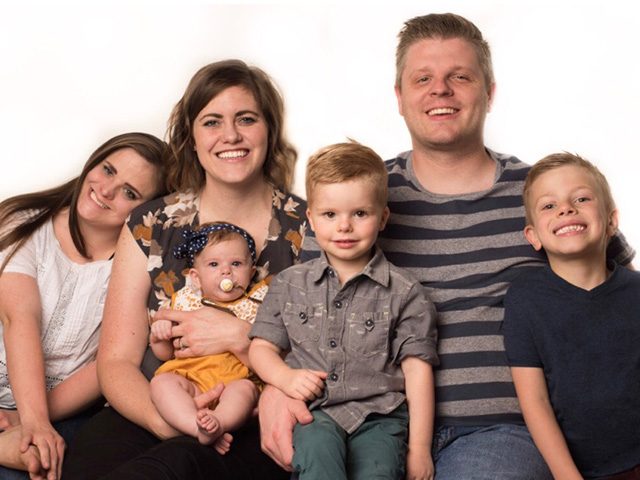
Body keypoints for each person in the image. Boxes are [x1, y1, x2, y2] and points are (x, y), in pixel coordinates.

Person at [257, 13, 635, 479]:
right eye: (423, 79)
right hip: (366, 421)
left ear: (489, 92)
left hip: (497, 431)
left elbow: (615, 296)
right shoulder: (353, 199)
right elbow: (302, 315)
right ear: (399, 97)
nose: (441, 90)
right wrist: (275, 389)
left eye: (460, 77)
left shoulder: (546, 196)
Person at [61, 59, 306, 480]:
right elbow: (116, 361)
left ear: (269, 130)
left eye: (246, 119)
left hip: (253, 417)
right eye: (212, 122)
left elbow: (329, 356)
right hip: (155, 404)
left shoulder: (311, 227)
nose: (231, 135)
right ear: (192, 138)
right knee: (88, 466)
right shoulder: (151, 223)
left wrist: (240, 337)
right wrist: (166, 422)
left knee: (176, 465)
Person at [249, 142, 439, 480]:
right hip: (315, 411)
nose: (344, 226)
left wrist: (420, 448)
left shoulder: (406, 291)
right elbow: (261, 347)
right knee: (317, 460)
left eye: (360, 214)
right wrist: (285, 378)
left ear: (382, 218)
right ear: (311, 219)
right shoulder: (290, 283)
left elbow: (417, 371)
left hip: (379, 415)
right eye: (330, 214)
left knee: (379, 471)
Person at [0, 132, 167, 480]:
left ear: (147, 212)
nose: (105, 190)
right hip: (33, 411)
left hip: (61, 408)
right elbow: (20, 318)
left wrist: (30, 421)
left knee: (41, 461)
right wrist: (33, 421)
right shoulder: (24, 222)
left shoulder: (137, 270)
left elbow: (105, 366)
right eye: (107, 170)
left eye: (129, 192)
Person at [502, 153, 640, 479]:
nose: (566, 209)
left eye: (581, 199)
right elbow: (535, 401)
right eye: (549, 205)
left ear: (611, 221)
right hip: (581, 470)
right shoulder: (525, 298)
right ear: (533, 236)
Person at [149, 222, 264, 452]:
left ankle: (220, 422)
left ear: (251, 273)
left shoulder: (259, 305)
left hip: (234, 380)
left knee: (245, 390)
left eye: (236, 264)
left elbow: (269, 351)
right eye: (213, 264)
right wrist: (159, 335)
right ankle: (196, 427)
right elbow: (166, 354)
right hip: (190, 378)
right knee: (161, 383)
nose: (226, 271)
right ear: (196, 277)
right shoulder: (184, 302)